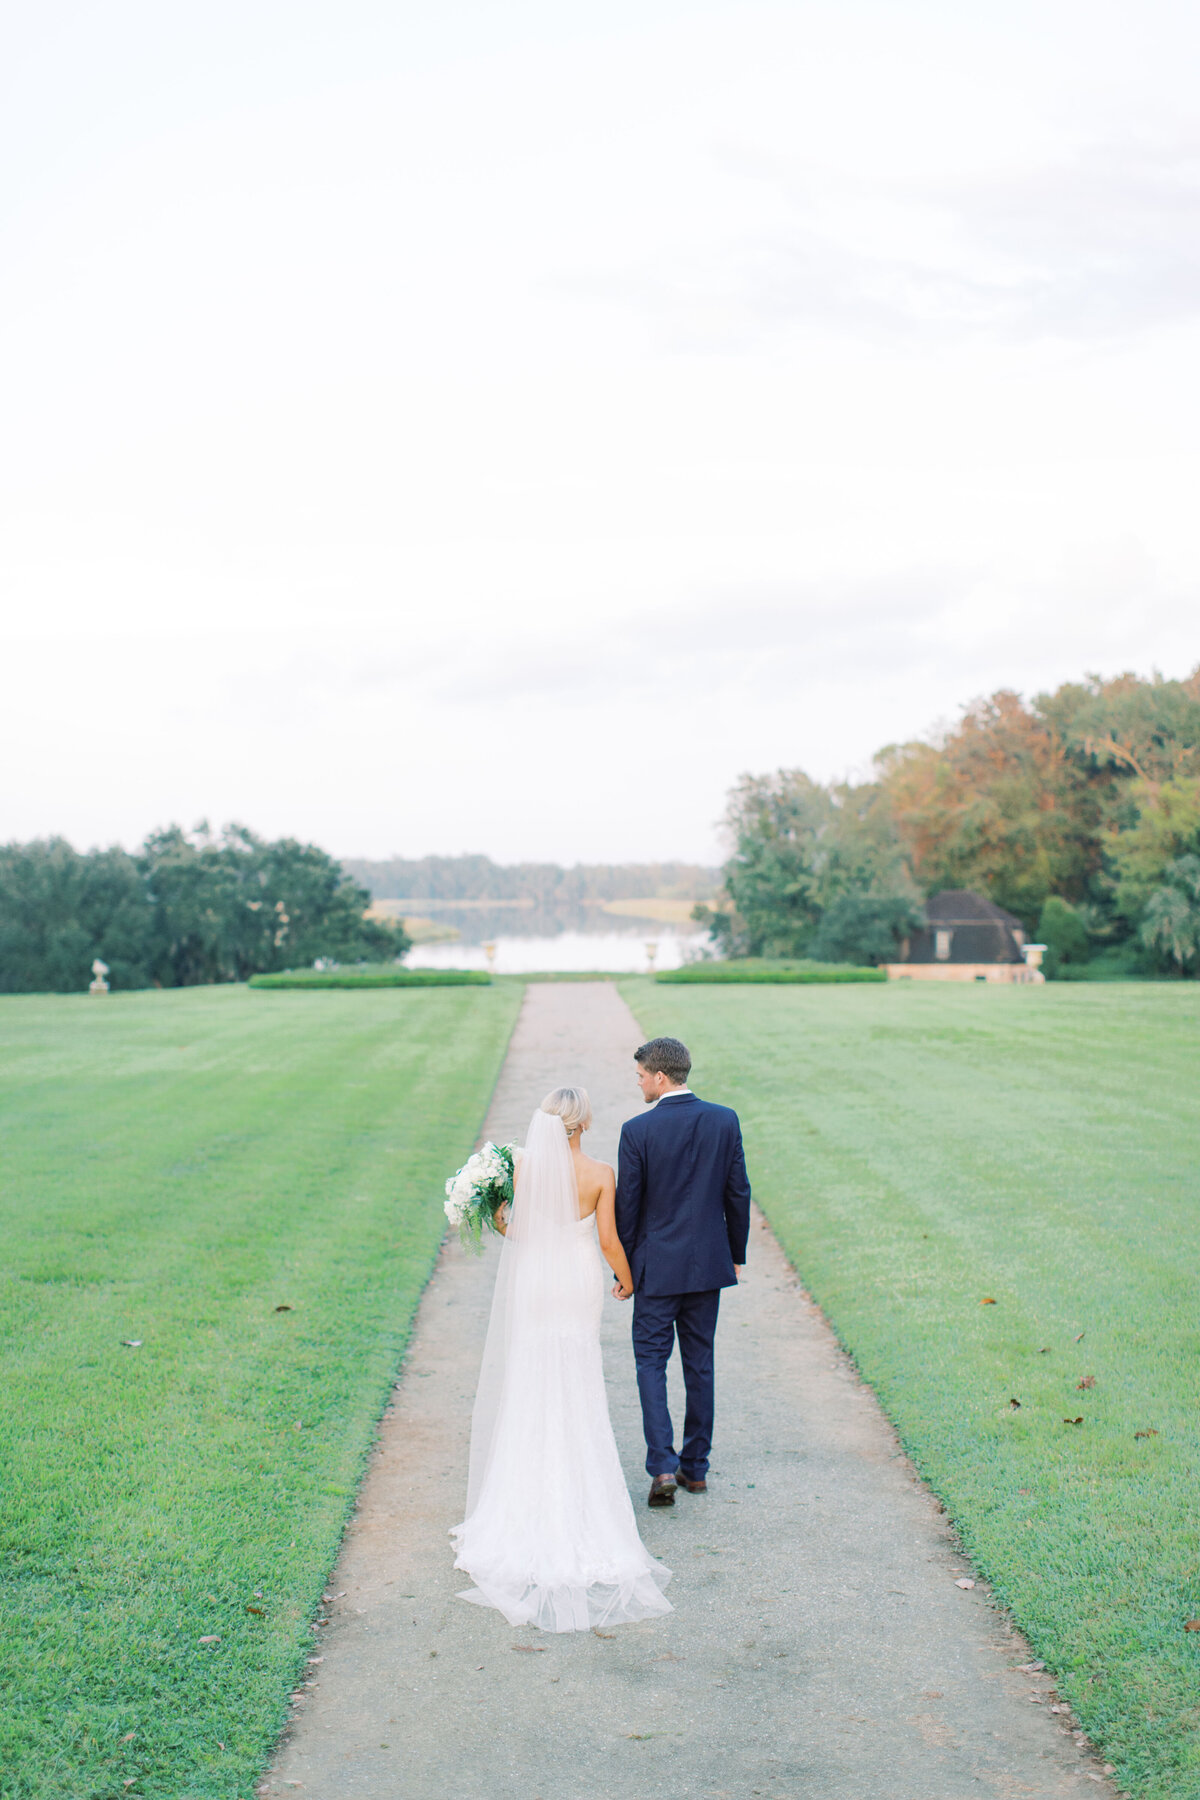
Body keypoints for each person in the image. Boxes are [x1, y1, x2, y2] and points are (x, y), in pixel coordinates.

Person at [451, 1087, 672, 1632]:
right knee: (576, 1375)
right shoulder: (599, 1173)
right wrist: (627, 1279)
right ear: (583, 1123)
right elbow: (608, 1241)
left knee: (532, 1375)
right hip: (575, 1284)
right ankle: (581, 1499)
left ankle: (520, 1501)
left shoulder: (521, 1171)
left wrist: (497, 1211)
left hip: (535, 1285)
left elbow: (511, 1230)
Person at [615, 1036, 751, 1507]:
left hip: (655, 1270)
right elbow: (738, 1191)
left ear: (659, 1076)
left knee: (651, 1363)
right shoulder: (723, 1119)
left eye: (639, 1076)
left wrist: (625, 1270)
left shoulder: (637, 1131)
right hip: (708, 1264)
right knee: (700, 1363)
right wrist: (736, 1251)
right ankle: (696, 1469)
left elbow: (627, 1208)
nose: (637, 1084)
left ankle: (662, 1467)